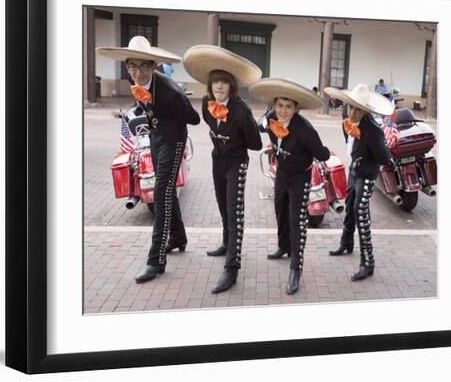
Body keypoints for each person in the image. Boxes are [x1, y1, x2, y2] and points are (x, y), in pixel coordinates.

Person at [98, 36, 200, 283]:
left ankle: (155, 261)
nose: (138, 72)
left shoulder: (171, 92)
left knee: (160, 192)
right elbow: (146, 107)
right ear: (127, 67)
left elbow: (193, 118)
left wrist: (170, 113)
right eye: (132, 66)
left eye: (144, 66)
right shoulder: (138, 84)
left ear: (154, 66)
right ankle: (178, 237)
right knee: (165, 191)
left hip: (174, 140)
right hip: (155, 139)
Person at [183, 45, 263, 293]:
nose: (219, 87)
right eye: (215, 82)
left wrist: (235, 136)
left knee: (234, 210)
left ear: (231, 86)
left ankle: (232, 268)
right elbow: (209, 123)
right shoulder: (206, 102)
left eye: (224, 83)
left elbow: (256, 144)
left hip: (237, 163)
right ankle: (227, 243)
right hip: (217, 160)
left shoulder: (241, 111)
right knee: (221, 205)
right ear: (210, 86)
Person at [249, 79, 330, 294]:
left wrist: (325, 150)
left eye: (288, 107)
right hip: (282, 174)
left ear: (296, 109)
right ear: (274, 105)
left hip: (300, 178)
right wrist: (267, 123)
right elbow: (259, 126)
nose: (283, 111)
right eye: (280, 105)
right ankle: (283, 246)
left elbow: (322, 154)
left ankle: (296, 268)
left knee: (297, 221)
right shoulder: (271, 117)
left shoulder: (306, 130)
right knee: (279, 211)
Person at [325, 84, 394, 281]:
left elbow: (383, 158)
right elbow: (351, 144)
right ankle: (346, 244)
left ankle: (368, 262)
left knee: (361, 214)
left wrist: (368, 156)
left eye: (358, 109)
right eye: (350, 107)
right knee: (349, 206)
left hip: (367, 175)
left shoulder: (374, 131)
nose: (352, 112)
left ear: (366, 111)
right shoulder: (346, 121)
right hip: (354, 171)